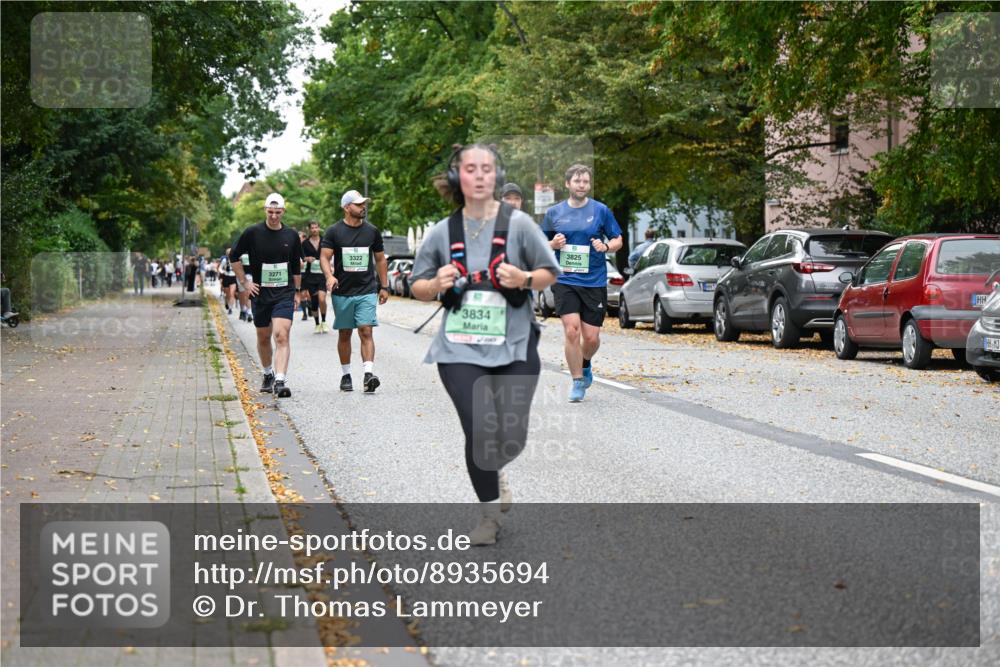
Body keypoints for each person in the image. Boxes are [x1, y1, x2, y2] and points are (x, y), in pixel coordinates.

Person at [410, 144, 559, 546]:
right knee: (479, 431)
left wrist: (525, 279)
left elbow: (550, 272)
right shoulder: (443, 231)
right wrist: (435, 284)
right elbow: (418, 285)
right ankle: (489, 516)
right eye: (470, 168)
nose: (479, 175)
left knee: (511, 435)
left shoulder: (521, 225)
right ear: (458, 176)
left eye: (487, 168)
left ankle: (496, 465)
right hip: (459, 348)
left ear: (496, 175)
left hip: (514, 343)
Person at [542, 163, 623, 402]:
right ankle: (577, 380)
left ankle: (585, 363)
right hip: (565, 279)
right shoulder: (554, 213)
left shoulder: (601, 211)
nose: (581, 185)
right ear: (568, 184)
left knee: (591, 338)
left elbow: (618, 239)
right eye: (577, 181)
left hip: (594, 280)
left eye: (585, 181)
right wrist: (553, 245)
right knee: (571, 330)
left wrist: (606, 246)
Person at [231, 193, 303, 398]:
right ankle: (268, 373)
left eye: (277, 212)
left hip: (284, 292)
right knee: (263, 336)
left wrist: (297, 291)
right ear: (265, 210)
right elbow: (233, 256)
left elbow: (296, 266)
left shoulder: (291, 235)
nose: (273, 216)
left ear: (283, 212)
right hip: (261, 293)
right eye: (270, 212)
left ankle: (280, 380)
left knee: (281, 334)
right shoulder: (252, 233)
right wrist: (245, 282)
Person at [320, 190, 389, 393]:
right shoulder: (334, 232)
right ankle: (346, 374)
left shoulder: (372, 231)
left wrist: (384, 286)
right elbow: (324, 257)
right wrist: (329, 276)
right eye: (358, 204)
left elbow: (380, 259)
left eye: (363, 204)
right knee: (345, 333)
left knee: (366, 330)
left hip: (367, 289)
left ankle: (368, 375)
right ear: (347, 207)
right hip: (342, 291)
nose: (363, 207)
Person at [301, 221, 330, 333]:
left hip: (323, 274)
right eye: (312, 228)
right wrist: (306, 258)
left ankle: (324, 321)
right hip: (310, 275)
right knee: (314, 301)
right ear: (309, 229)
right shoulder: (305, 243)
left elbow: (330, 254)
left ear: (319, 228)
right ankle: (317, 324)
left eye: (316, 227)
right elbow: (300, 256)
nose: (314, 230)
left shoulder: (325, 241)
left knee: (322, 298)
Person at [297, 230, 311, 321]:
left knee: (309, 294)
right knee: (302, 294)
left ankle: (310, 307)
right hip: (300, 273)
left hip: (309, 273)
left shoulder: (309, 248)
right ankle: (304, 314)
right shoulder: (295, 248)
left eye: (301, 238)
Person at [219, 248, 238, 314]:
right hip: (226, 277)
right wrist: (223, 272)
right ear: (227, 254)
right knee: (227, 294)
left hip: (233, 277)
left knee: (232, 293)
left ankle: (230, 308)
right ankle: (226, 302)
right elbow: (220, 268)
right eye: (229, 253)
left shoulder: (236, 259)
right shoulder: (225, 260)